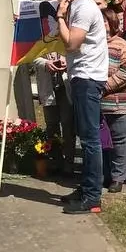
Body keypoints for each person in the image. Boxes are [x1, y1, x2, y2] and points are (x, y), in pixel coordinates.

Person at [42, 0, 108, 215]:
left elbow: (71, 43)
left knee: (90, 140)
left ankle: (92, 197)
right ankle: (86, 188)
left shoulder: (83, 7)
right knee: (86, 135)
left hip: (88, 77)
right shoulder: (78, 5)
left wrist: (60, 17)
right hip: (81, 74)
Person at [101, 9, 126, 193]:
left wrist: (106, 85)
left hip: (120, 105)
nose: (102, 24)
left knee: (119, 142)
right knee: (103, 143)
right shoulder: (92, 44)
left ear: (113, 23)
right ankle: (105, 175)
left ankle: (118, 178)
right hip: (99, 105)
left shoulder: (121, 44)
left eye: (105, 21)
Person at [35, 48, 75, 176]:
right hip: (48, 87)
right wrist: (45, 63)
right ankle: (57, 161)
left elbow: (76, 50)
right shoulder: (39, 31)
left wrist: (66, 60)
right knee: (52, 126)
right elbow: (32, 56)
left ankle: (69, 164)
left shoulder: (67, 30)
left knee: (68, 125)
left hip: (65, 86)